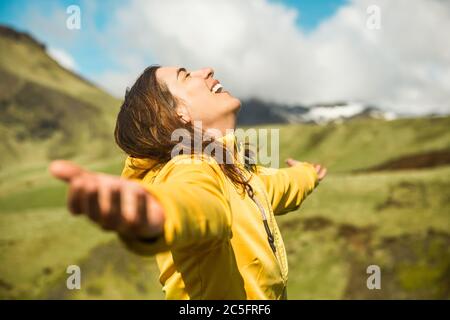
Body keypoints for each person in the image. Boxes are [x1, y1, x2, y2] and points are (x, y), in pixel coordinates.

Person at [50, 65, 327, 299]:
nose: (206, 70)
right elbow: (198, 204)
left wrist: (307, 174)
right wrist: (158, 213)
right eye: (185, 76)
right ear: (178, 113)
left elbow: (277, 185)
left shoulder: (238, 172)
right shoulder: (191, 167)